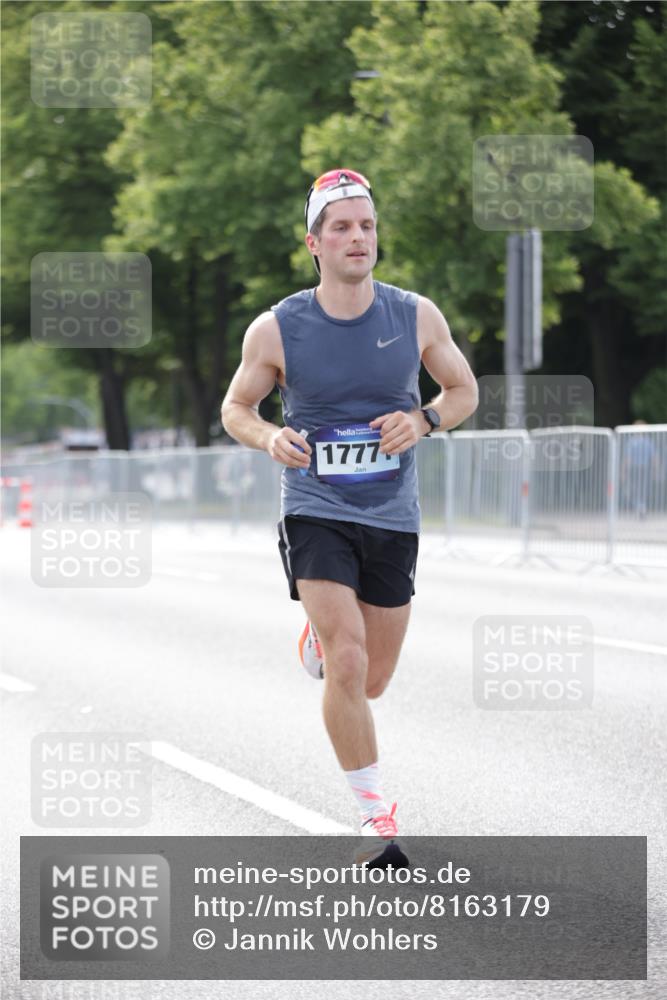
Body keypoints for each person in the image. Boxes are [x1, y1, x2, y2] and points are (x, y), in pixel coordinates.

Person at [221, 168, 478, 866]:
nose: (357, 236)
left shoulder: (414, 315)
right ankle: (375, 819)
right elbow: (235, 409)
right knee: (348, 658)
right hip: (315, 506)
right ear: (314, 243)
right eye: (341, 226)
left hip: (391, 512)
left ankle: (317, 641)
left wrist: (423, 420)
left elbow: (461, 391)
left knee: (371, 680)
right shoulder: (277, 327)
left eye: (366, 225)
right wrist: (270, 436)